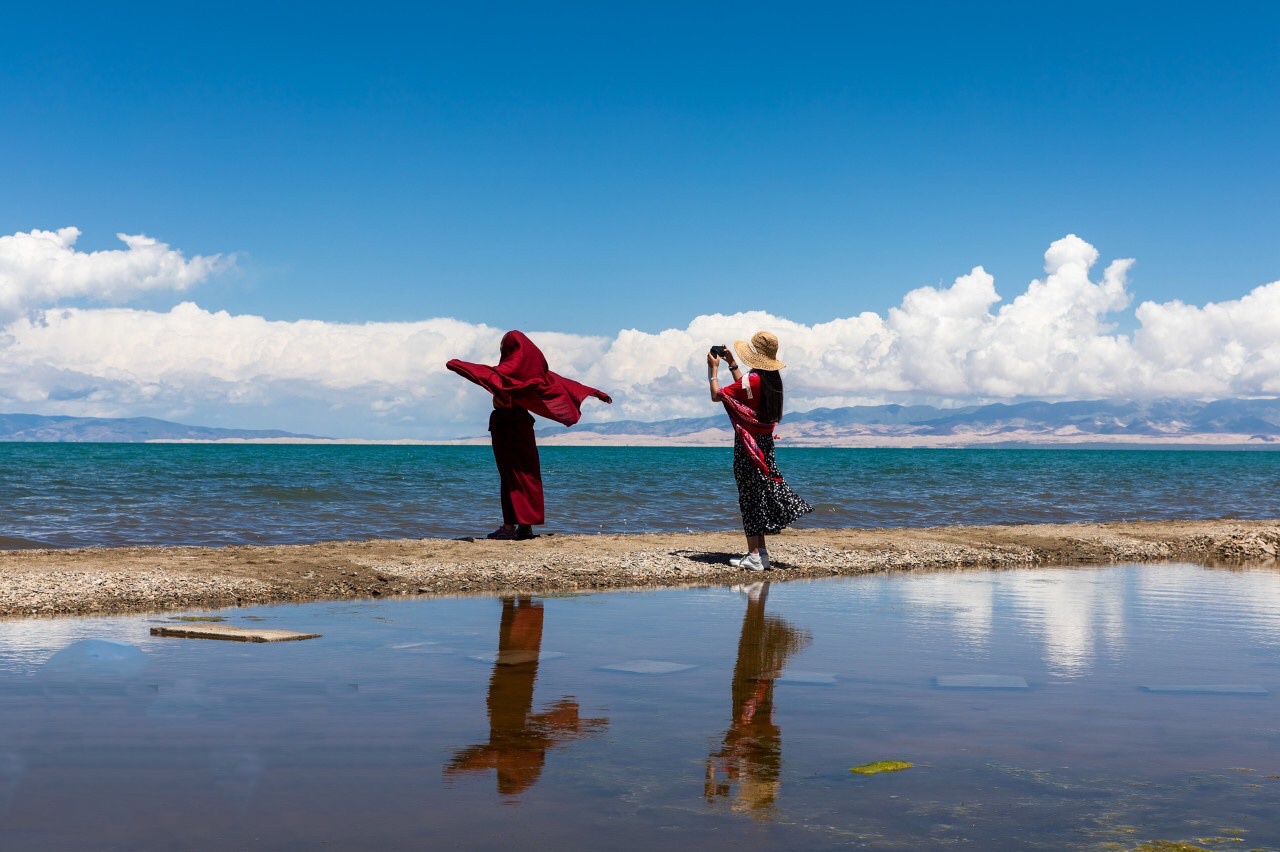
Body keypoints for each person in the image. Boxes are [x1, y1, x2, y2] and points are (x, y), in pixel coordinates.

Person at [448, 331, 611, 540]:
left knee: (511, 476)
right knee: (527, 474)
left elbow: (484, 374)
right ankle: (525, 527)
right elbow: (568, 385)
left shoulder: (507, 374)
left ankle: (509, 528)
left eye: (503, 346)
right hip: (523, 426)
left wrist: (455, 363)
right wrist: (596, 392)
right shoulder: (537, 376)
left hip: (507, 427)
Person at [707, 330, 812, 570]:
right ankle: (760, 553)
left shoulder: (754, 379)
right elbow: (747, 389)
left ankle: (754, 554)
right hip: (764, 445)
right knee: (758, 497)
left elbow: (717, 395)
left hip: (748, 446)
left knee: (749, 498)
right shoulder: (771, 380)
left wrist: (712, 370)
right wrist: (732, 363)